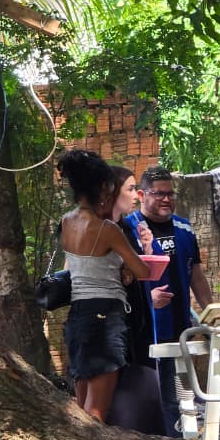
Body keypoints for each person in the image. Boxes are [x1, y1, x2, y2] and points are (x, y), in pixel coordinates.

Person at [57, 150, 150, 421]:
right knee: (97, 413)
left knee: (81, 409)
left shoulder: (66, 222)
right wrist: (134, 260)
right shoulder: (106, 229)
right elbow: (142, 270)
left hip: (77, 317)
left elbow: (86, 265)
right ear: (102, 187)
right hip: (105, 317)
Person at [124, 166, 215, 436]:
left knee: (182, 395)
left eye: (170, 194)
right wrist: (145, 298)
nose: (167, 199)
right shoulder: (128, 229)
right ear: (142, 195)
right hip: (145, 329)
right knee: (152, 396)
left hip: (180, 328)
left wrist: (211, 314)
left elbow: (196, 275)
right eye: (159, 194)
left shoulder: (184, 227)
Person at [102, 166, 166, 435]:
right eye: (129, 189)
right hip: (110, 322)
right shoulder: (98, 228)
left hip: (136, 320)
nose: (135, 195)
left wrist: (147, 248)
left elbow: (138, 273)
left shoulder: (128, 227)